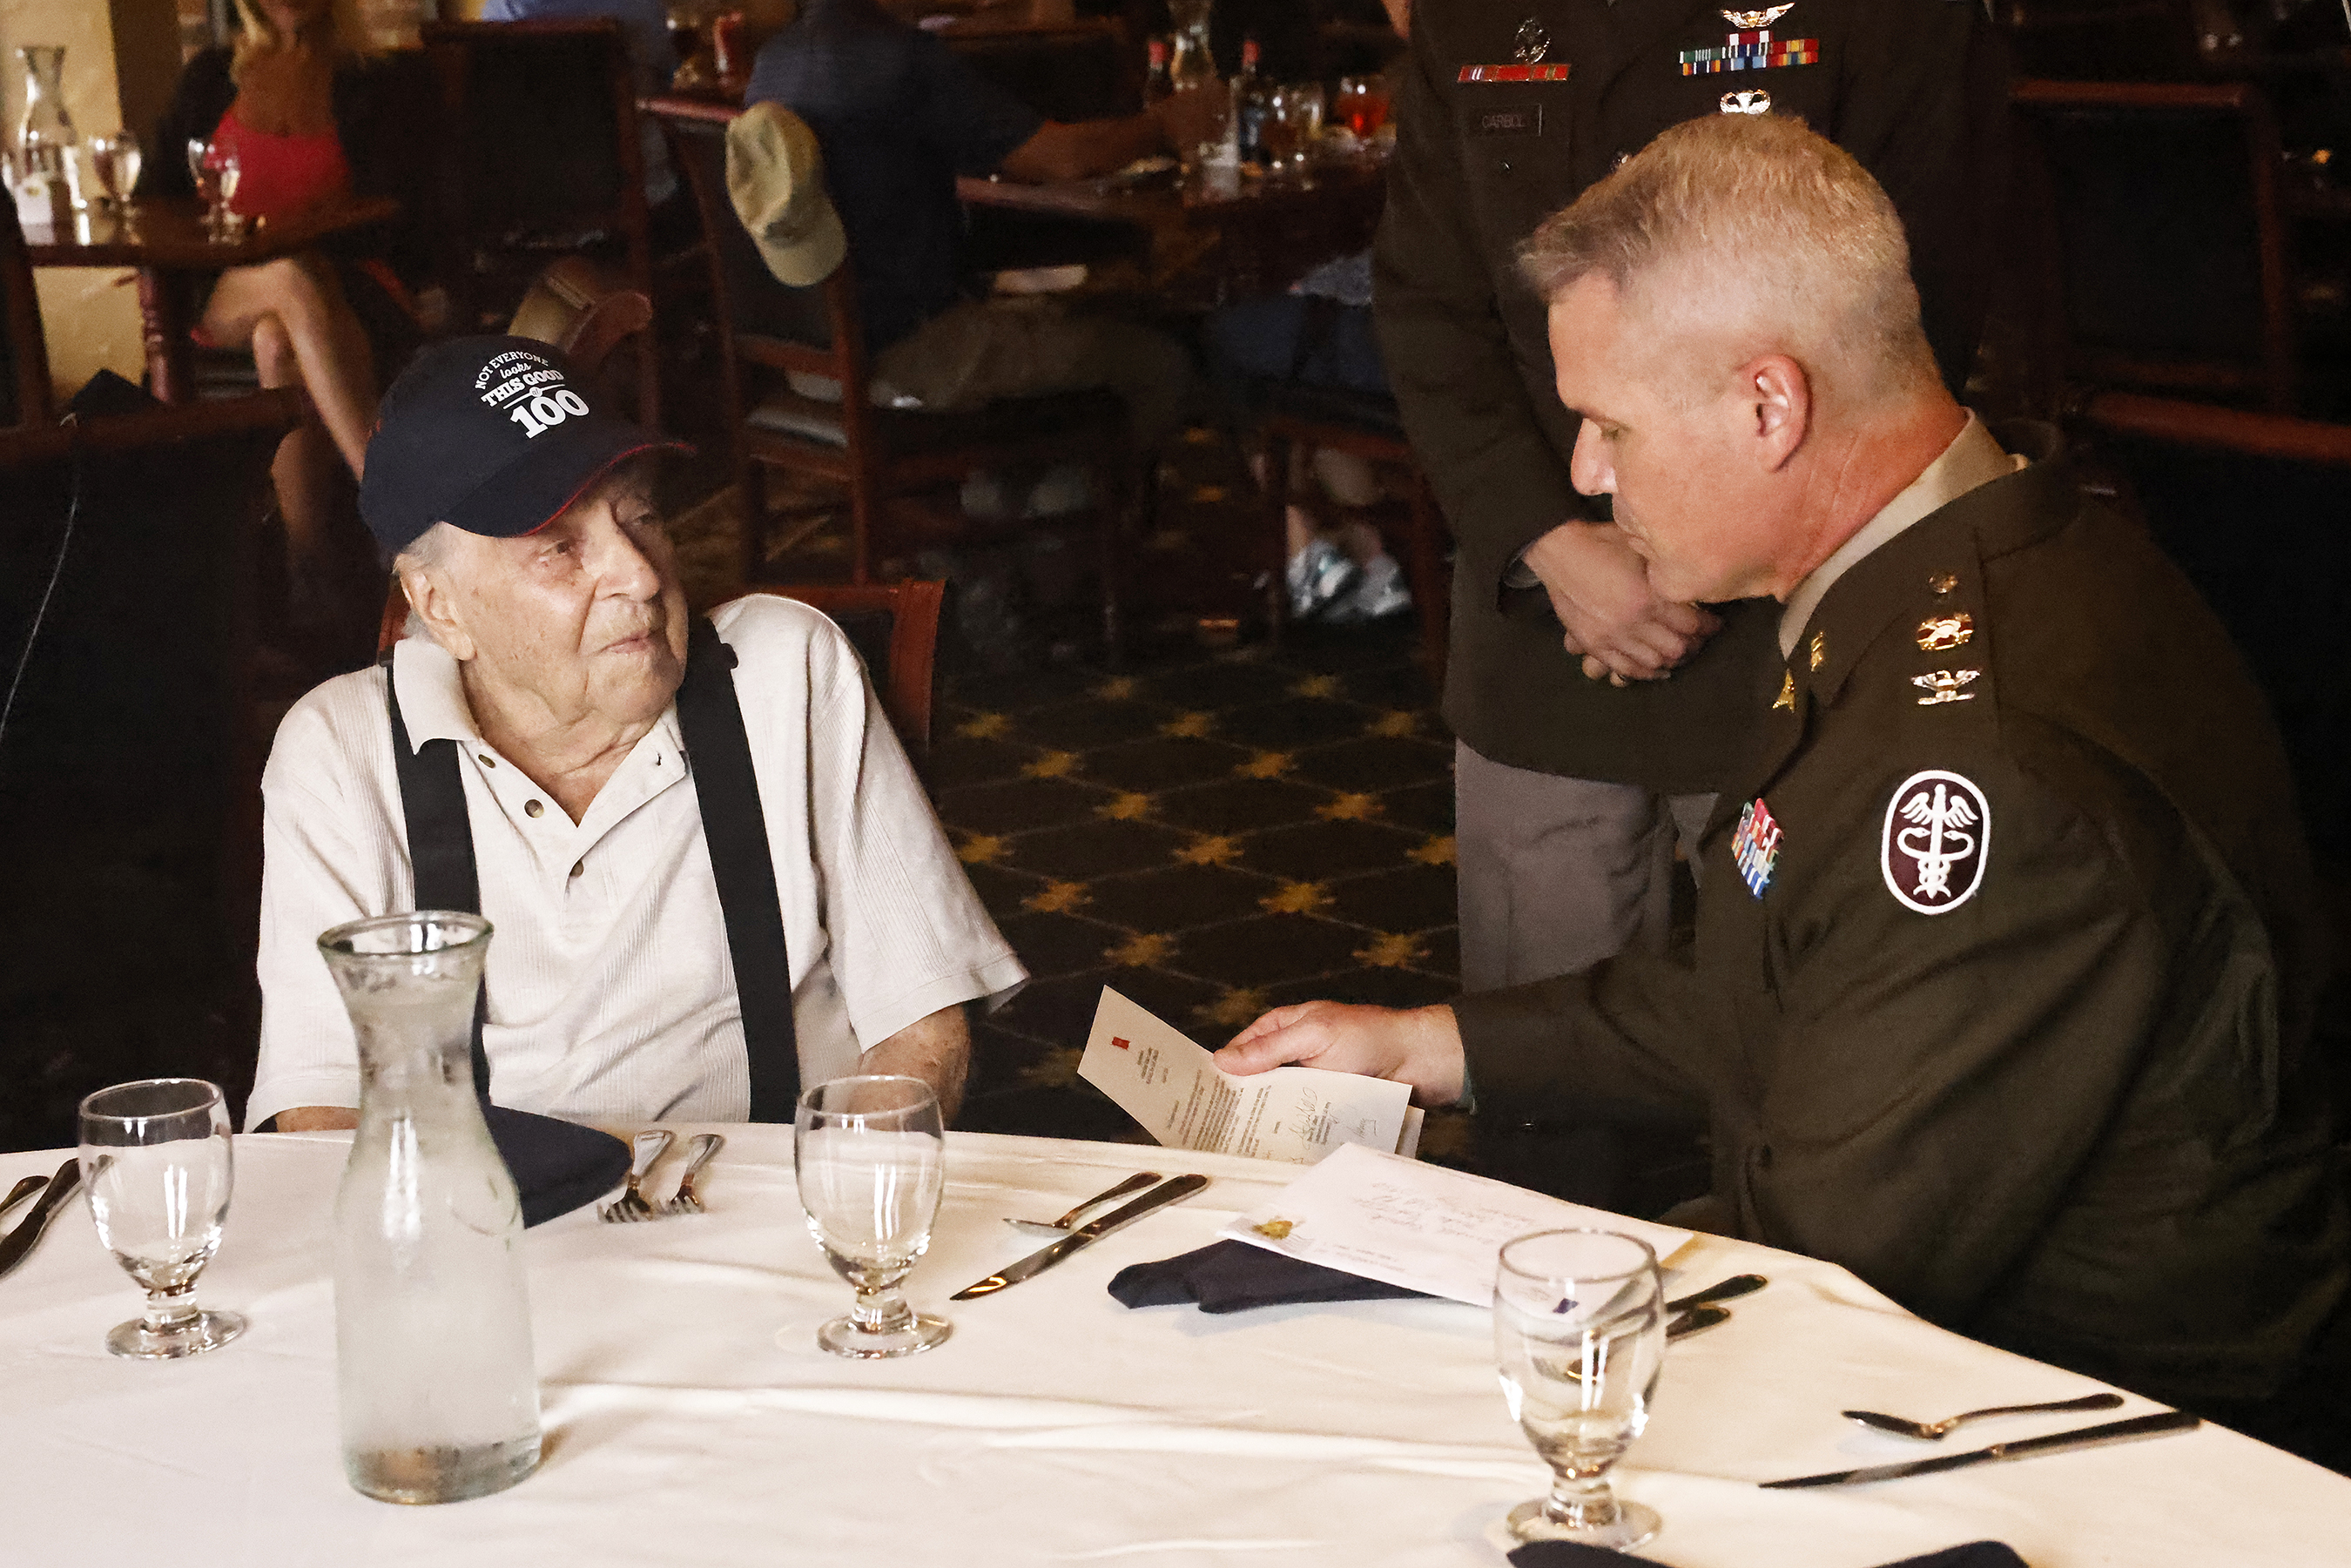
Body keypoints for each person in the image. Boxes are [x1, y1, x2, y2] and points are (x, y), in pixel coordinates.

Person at [1216, 116, 2348, 1417]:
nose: (1583, 473)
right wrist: (1431, 1045)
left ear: (1770, 405)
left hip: (2092, 1436)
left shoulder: (1974, 765)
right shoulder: (1972, 557)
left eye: (1607, 424)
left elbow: (1815, 1275)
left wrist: (1464, 1297)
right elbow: (1793, 987)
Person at [1379, 1, 2008, 999]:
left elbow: (1905, 332)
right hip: (1548, 616)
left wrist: (1690, 555)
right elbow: (1428, 305)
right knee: (1542, 1078)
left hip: (1799, 627)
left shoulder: (1897, 21)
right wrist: (1552, 542)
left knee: (1818, 1045)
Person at [247, 335, 1026, 1134]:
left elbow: (925, 1026)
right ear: (441, 606)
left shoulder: (782, 670)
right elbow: (319, 1110)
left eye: (641, 515)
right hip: (502, 1239)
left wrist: (843, 1204)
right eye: (559, 546)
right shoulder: (343, 754)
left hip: (777, 1220)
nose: (642, 574)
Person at [741, 0, 1222, 459]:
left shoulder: (771, 64)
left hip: (810, 363)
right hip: (911, 357)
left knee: (1054, 320)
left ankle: (1021, 499)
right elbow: (1063, 159)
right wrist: (1164, 125)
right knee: (1160, 362)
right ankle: (1069, 510)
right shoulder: (902, 59)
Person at [139, 0, 433, 624]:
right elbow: (153, 200)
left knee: (280, 333)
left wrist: (312, 232)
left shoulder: (365, 77)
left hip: (347, 283)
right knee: (287, 286)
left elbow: (405, 213)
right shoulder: (209, 77)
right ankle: (400, 511)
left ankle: (310, 572)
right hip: (231, 288)